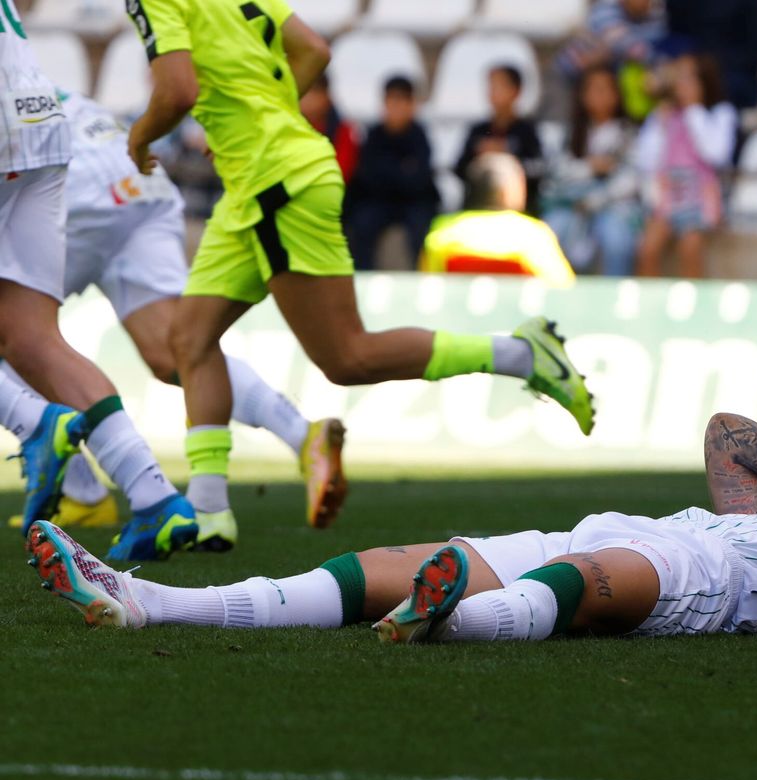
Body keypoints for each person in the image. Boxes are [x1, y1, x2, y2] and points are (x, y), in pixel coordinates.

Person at [122, 0, 594, 553]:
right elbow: (313, 49)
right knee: (190, 338)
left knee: (348, 357)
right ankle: (208, 512)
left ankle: (523, 355)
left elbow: (176, 91)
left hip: (276, 185)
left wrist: (139, 138)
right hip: (255, 184)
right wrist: (264, 116)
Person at [28, 414, 757, 644]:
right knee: (384, 563)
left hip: (715, 584)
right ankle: (153, 601)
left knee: (581, 585)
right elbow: (727, 437)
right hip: (656, 530)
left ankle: (452, 620)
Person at [3, 91, 346, 532]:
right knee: (175, 350)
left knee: (19, 336)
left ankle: (83, 492)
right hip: (137, 182)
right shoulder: (35, 80)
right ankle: (300, 433)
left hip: (74, 190)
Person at [0, 7, 197, 562]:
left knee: (30, 343)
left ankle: (33, 422)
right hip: (40, 119)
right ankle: (154, 496)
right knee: (31, 339)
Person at [634, 53, 737, 279]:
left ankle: (693, 300)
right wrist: (661, 122)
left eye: (689, 78)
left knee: (690, 248)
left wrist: (693, 109)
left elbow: (716, 154)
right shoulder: (664, 114)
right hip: (667, 195)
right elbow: (646, 161)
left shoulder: (719, 113)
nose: (682, 84)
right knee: (647, 249)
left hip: (699, 196)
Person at [542, 67, 642, 277]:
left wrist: (598, 199)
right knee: (551, 231)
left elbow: (632, 178)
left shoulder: (627, 132)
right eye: (594, 89)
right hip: (572, 206)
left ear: (617, 95)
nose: (600, 95)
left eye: (605, 89)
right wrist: (589, 167)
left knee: (615, 238)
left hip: (614, 206)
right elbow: (557, 173)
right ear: (582, 95)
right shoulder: (571, 133)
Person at [420, 154, 576, 283]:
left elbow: (427, 283)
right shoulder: (534, 234)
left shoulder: (442, 230)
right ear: (505, 191)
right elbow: (562, 287)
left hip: (457, 311)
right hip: (517, 312)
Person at [345, 75, 438, 270]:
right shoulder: (375, 135)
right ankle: (362, 276)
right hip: (379, 202)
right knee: (362, 223)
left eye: (401, 101)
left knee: (423, 228)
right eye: (392, 100)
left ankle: (421, 275)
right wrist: (402, 171)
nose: (396, 108)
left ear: (412, 105)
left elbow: (419, 180)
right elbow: (368, 177)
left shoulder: (419, 136)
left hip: (413, 204)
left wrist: (389, 173)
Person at [453, 65, 544, 211]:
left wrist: (507, 156)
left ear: (516, 91)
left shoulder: (526, 131)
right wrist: (480, 158)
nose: (493, 92)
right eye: (491, 86)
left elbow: (538, 169)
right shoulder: (479, 131)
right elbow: (459, 169)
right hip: (478, 208)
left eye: (499, 86)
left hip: (519, 211)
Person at [665, 0, 757, 113]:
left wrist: (714, 68)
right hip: (694, 69)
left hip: (735, 79)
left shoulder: (749, 4)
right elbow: (676, 39)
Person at [557, 0, 666, 84]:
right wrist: (663, 63)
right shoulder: (605, 9)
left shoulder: (656, 16)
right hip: (566, 73)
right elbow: (629, 47)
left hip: (609, 77)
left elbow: (656, 44)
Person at [299, 72, 358, 182]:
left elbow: (342, 171)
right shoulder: (286, 127)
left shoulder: (344, 131)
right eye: (304, 92)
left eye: (314, 92)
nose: (307, 99)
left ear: (327, 96)